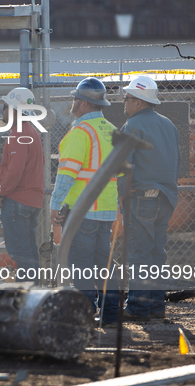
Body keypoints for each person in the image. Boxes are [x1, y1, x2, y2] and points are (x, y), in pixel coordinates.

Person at [50, 77, 119, 326]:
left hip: (83, 210)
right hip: (107, 210)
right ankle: (110, 315)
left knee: (81, 267)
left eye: (75, 98)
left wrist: (54, 206)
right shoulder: (111, 130)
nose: (73, 101)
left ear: (83, 104)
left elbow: (67, 174)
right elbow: (119, 172)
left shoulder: (80, 132)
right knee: (104, 264)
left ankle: (85, 315)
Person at [119, 75, 181, 320]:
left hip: (141, 197)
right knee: (157, 253)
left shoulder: (132, 126)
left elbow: (125, 166)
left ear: (139, 102)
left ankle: (138, 307)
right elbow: (176, 163)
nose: (123, 102)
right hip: (166, 196)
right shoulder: (169, 125)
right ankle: (155, 306)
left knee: (139, 253)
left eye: (127, 98)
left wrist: (123, 195)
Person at [0, 87, 44, 283]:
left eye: (4, 106)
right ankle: (36, 294)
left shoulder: (19, 133)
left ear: (15, 109)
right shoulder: (32, 132)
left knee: (21, 254)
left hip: (17, 201)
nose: (2, 110)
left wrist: (1, 194)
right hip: (31, 201)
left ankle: (27, 298)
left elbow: (15, 171)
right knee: (29, 251)